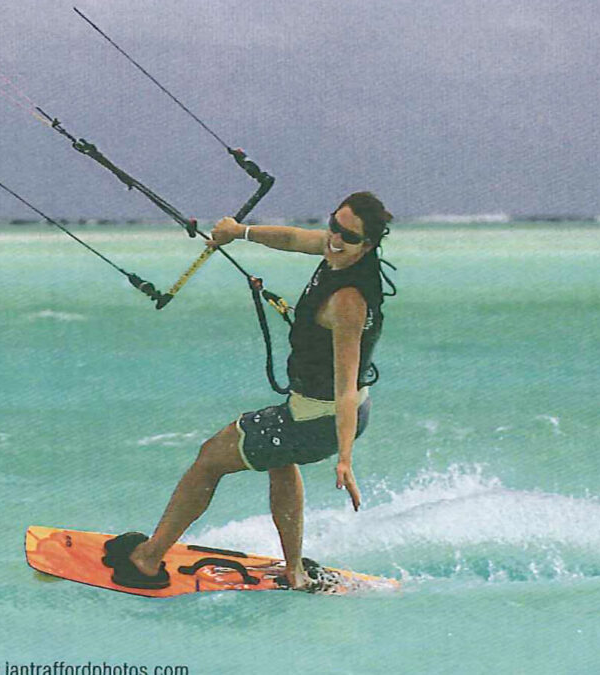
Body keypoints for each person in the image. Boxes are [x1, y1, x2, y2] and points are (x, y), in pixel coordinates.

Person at [103, 191, 393, 590]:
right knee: (279, 458)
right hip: (334, 411)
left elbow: (345, 384)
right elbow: (293, 239)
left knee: (210, 457)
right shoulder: (338, 253)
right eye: (334, 226)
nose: (335, 239)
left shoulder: (348, 300)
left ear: (370, 244)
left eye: (349, 236)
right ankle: (294, 571)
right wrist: (239, 232)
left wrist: (345, 458)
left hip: (324, 418)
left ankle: (148, 560)